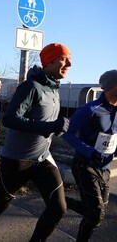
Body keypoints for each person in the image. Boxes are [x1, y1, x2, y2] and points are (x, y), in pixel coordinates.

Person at [0, 43, 72, 242]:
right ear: (49, 61)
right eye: (64, 59)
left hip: (43, 157)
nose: (69, 63)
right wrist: (50, 126)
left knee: (58, 207)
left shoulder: (54, 89)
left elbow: (46, 124)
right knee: (2, 200)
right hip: (18, 158)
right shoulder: (30, 87)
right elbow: (9, 119)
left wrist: (59, 127)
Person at [62, 69, 117, 241]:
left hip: (105, 169)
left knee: (95, 212)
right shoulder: (90, 109)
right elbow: (67, 133)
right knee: (96, 213)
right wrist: (90, 151)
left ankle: (60, 201)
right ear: (112, 87)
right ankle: (61, 201)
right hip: (85, 165)